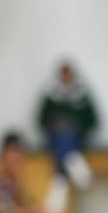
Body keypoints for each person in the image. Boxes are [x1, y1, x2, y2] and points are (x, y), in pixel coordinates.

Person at [38, 61, 97, 189]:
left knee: (66, 136)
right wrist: (55, 123)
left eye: (68, 76)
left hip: (77, 137)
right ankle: (75, 164)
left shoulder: (81, 94)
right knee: (61, 135)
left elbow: (93, 121)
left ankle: (60, 178)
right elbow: (41, 120)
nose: (66, 79)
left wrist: (75, 125)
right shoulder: (51, 95)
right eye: (63, 76)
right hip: (54, 136)